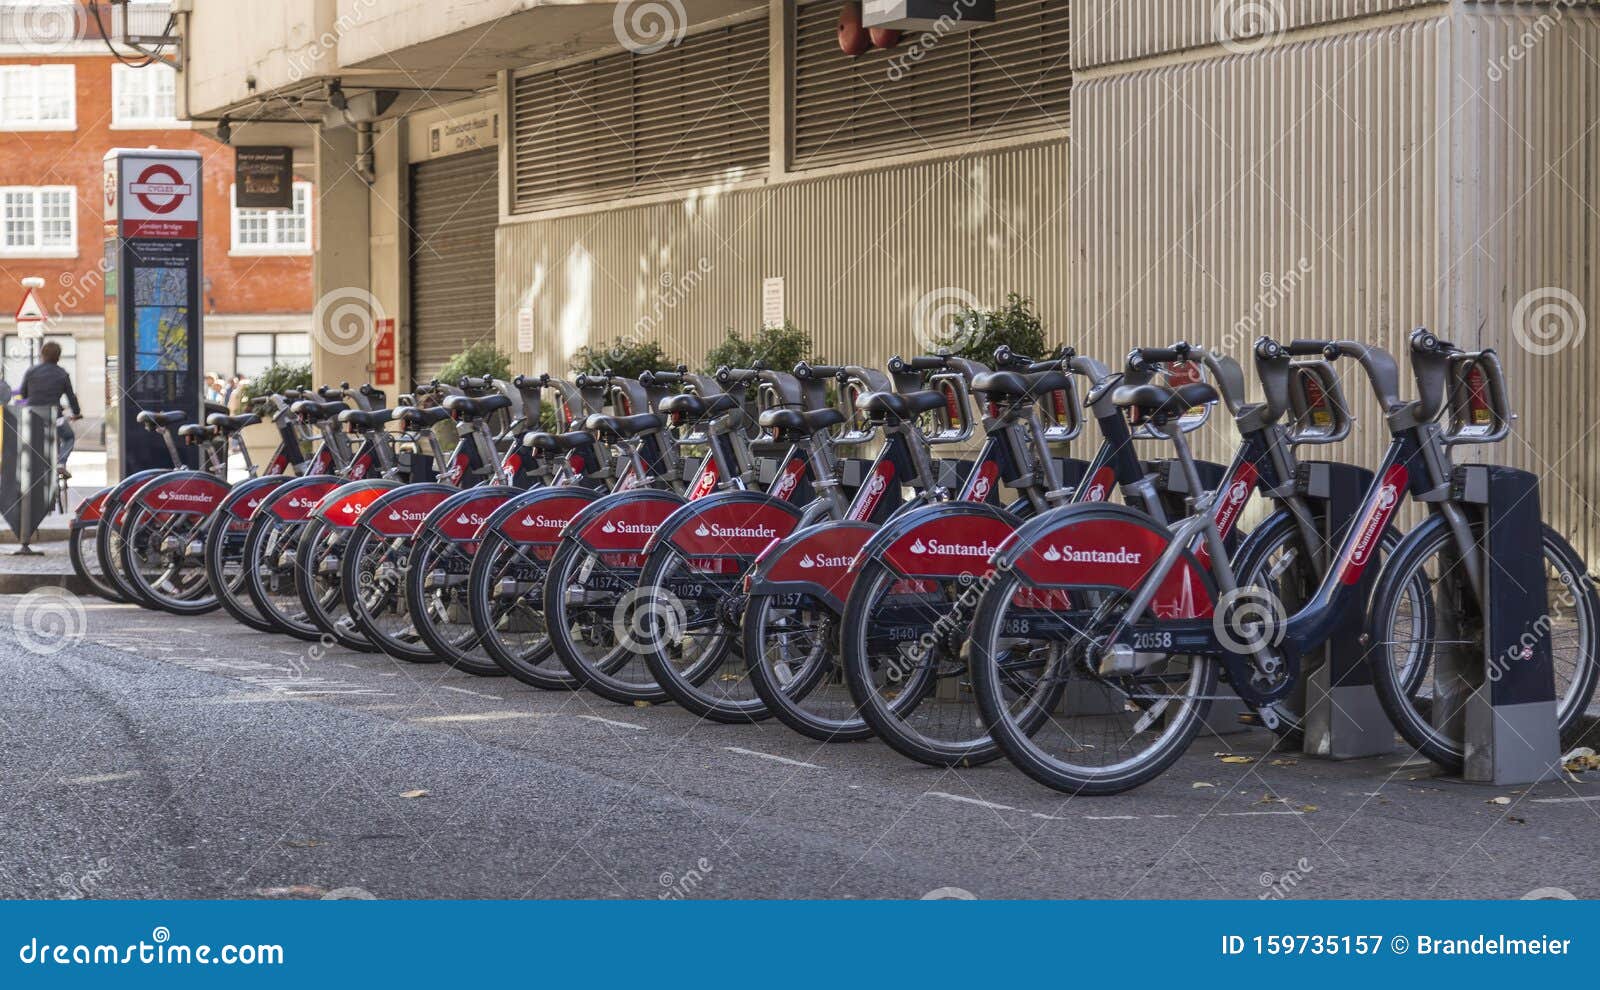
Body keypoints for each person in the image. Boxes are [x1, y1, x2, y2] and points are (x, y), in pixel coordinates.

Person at [18, 340, 80, 472]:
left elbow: (23, 394)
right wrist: (76, 413)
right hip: (54, 416)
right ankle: (61, 463)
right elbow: (71, 398)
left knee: (28, 440)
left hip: (32, 415)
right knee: (69, 437)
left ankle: (27, 466)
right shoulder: (62, 374)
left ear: (42, 355)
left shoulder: (31, 371)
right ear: (58, 356)